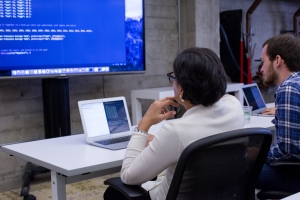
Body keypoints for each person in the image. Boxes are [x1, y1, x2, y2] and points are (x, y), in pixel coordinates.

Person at [103, 47, 245, 200]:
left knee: (114, 193)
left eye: (174, 78)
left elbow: (128, 176)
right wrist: (160, 141)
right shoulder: (234, 105)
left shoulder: (176, 131)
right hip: (221, 194)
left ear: (181, 89)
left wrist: (144, 124)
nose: (173, 83)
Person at [256, 34, 300, 193]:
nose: (261, 69)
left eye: (263, 62)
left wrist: (257, 153)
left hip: (295, 175)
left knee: (238, 168)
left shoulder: (289, 88)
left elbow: (289, 150)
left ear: (277, 60)